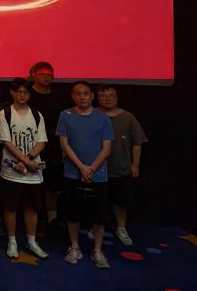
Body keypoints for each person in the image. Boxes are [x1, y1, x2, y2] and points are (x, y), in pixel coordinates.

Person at [56, 82, 114, 269]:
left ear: (92, 96)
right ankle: (74, 246)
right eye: (78, 93)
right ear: (73, 96)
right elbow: (64, 144)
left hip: (98, 175)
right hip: (72, 172)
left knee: (99, 215)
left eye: (86, 93)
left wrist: (91, 168)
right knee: (72, 212)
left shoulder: (103, 118)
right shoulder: (65, 115)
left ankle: (97, 250)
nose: (82, 97)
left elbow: (107, 148)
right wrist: (81, 167)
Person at [0, 78, 48, 259]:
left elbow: (41, 141)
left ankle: (31, 241)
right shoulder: (5, 114)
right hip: (11, 170)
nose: (22, 95)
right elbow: (6, 142)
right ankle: (12, 241)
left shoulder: (37, 115)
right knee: (10, 207)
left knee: (32, 207)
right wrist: (24, 160)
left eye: (26, 92)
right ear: (12, 92)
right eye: (19, 91)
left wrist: (28, 161)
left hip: (33, 171)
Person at [97, 84, 147, 245]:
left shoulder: (128, 117)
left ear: (117, 97)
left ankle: (121, 228)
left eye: (111, 95)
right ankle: (96, 228)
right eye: (103, 95)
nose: (107, 98)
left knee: (121, 201)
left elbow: (137, 143)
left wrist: (135, 165)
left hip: (121, 168)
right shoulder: (93, 115)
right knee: (97, 201)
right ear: (97, 98)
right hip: (97, 169)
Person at [27, 61, 63, 230]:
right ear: (34, 75)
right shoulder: (27, 95)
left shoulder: (58, 96)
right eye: (43, 74)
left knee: (52, 186)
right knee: (32, 186)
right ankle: (36, 220)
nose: (47, 77)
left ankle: (52, 220)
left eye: (50, 75)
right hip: (30, 148)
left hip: (54, 148)